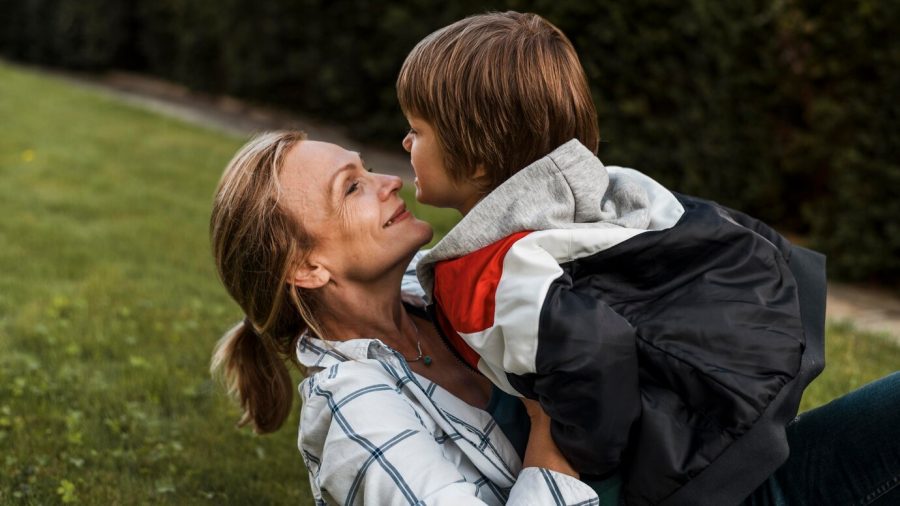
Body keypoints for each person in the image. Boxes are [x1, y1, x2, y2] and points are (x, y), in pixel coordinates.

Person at [396, 11, 898, 505]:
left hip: (688, 469)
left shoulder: (488, 270)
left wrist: (597, 466)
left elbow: (594, 352)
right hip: (735, 414)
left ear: (478, 157)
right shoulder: (589, 196)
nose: (405, 143)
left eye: (417, 130)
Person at [209, 131, 601, 505]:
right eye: (351, 187)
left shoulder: (436, 280)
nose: (391, 180)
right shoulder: (356, 415)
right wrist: (552, 424)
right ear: (308, 267)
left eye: (364, 169)